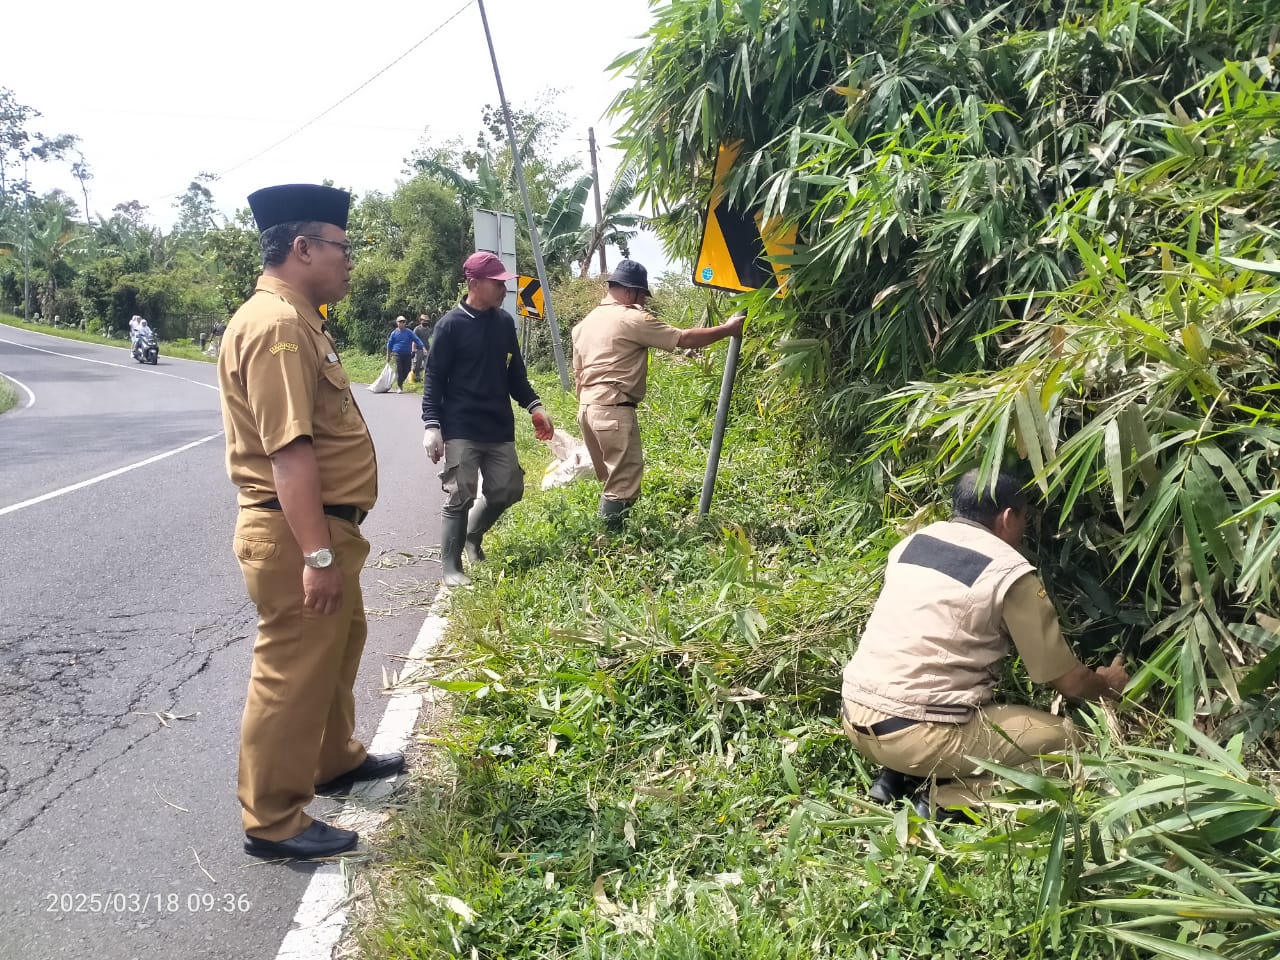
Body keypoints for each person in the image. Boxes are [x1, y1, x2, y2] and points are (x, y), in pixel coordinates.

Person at [217, 183, 405, 861]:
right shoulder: (277, 327)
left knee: (338, 646)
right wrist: (317, 556)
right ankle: (272, 820)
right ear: (302, 248)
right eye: (341, 248)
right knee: (291, 672)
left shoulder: (302, 319)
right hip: (298, 533)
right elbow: (289, 451)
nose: (349, 261)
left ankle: (334, 760)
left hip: (325, 529)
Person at [839, 469, 1130, 816]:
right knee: (1076, 745)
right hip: (922, 739)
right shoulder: (1009, 572)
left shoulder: (913, 543)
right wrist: (1107, 685)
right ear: (1007, 517)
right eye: (1023, 518)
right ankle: (946, 800)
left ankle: (895, 778)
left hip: (855, 718)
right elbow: (1070, 683)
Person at [571, 259, 744, 530]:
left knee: (611, 480)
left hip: (587, 410)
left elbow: (578, 375)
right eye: (642, 296)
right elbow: (684, 338)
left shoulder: (584, 324)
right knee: (623, 484)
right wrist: (728, 329)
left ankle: (608, 536)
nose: (643, 303)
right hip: (613, 409)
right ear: (631, 291)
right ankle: (610, 541)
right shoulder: (631, 319)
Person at [421, 251, 553, 586]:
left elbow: (515, 375)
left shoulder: (504, 323)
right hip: (461, 425)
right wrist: (432, 426)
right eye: (497, 283)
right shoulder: (450, 326)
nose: (503, 290)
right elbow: (434, 379)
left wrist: (535, 407)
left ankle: (472, 536)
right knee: (460, 493)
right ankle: (452, 568)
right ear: (474, 283)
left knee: (508, 489)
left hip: (498, 425)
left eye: (504, 283)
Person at [385, 315, 425, 393]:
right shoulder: (394, 333)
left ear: (405, 323)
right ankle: (400, 386)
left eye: (403, 322)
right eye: (400, 322)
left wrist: (423, 347)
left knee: (407, 370)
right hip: (397, 354)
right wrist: (388, 355)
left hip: (407, 354)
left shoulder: (409, 332)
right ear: (397, 323)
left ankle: (400, 381)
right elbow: (389, 345)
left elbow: (416, 339)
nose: (402, 323)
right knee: (399, 370)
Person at [411, 313, 432, 380]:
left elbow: (430, 339)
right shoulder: (417, 329)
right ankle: (416, 376)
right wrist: (413, 350)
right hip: (418, 349)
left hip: (427, 349)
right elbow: (414, 340)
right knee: (417, 364)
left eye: (427, 321)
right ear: (421, 320)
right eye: (424, 320)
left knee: (427, 364)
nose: (425, 322)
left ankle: (426, 378)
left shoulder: (428, 329)